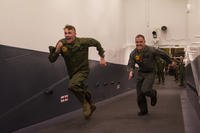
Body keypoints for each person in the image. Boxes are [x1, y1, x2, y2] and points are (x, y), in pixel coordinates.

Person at [48, 24, 107, 119]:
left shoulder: (84, 41)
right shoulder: (61, 43)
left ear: (75, 33)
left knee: (72, 86)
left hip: (83, 70)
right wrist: (57, 50)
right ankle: (91, 104)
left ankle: (85, 104)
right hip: (72, 73)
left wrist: (102, 57)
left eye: (70, 33)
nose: (67, 35)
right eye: (65, 33)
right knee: (80, 88)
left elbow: (96, 43)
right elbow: (52, 59)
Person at [127, 34, 171, 116]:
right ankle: (143, 110)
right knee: (139, 94)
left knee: (145, 90)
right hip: (141, 73)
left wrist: (171, 62)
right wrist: (131, 71)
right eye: (137, 42)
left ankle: (153, 94)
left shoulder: (151, 50)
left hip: (150, 73)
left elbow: (163, 54)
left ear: (144, 42)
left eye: (141, 42)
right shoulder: (133, 53)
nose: (139, 44)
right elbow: (130, 64)